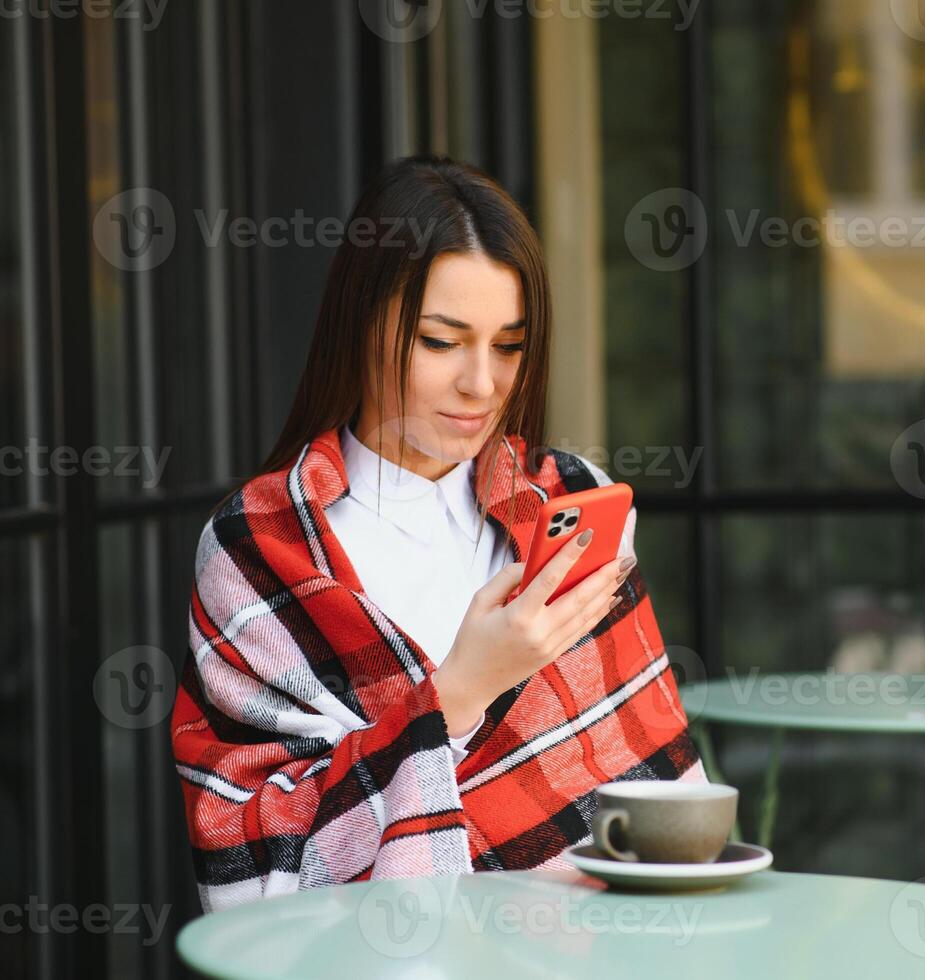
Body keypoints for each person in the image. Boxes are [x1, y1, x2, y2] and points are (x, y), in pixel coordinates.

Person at [170, 155, 707, 913]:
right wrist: (461, 691)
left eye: (508, 345)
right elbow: (255, 865)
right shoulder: (259, 549)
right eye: (441, 341)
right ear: (362, 325)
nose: (481, 384)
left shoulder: (570, 498)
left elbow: (659, 791)